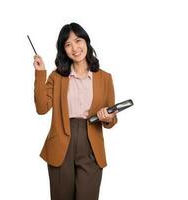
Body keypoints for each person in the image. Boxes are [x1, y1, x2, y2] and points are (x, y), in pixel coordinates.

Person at [33, 22, 118, 200]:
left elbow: (112, 120)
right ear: (63, 50)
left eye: (78, 40)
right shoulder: (57, 77)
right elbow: (41, 109)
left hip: (91, 145)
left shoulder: (105, 78)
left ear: (86, 42)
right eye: (68, 44)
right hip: (61, 145)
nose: (75, 48)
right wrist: (40, 73)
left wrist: (108, 117)